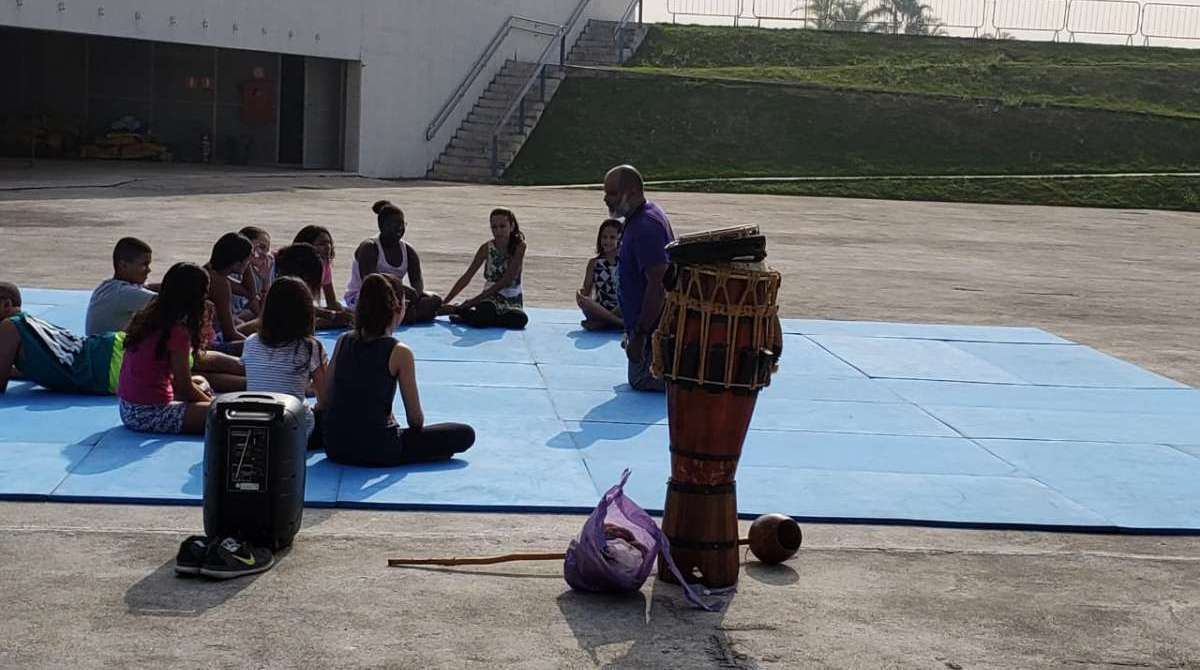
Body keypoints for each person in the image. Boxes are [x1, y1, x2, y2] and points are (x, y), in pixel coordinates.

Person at [321, 274, 475, 467]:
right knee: (464, 434)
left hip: (335, 446)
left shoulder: (343, 341)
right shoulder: (400, 351)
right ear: (398, 307)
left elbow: (325, 399)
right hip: (379, 449)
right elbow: (415, 420)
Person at [1, 281, 244, 395]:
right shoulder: (28, 322)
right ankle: (258, 372)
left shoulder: (9, 328)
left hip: (105, 367)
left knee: (192, 367)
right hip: (105, 350)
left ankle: (259, 374)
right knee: (194, 364)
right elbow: (34, 366)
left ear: (6, 304)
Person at [116, 263, 215, 435]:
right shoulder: (177, 331)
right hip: (147, 414)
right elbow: (184, 387)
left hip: (127, 408)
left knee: (200, 381)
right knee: (224, 416)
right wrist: (212, 405)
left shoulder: (147, 317)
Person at [605, 165, 674, 392]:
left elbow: (659, 284)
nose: (606, 199)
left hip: (653, 331)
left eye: (613, 193)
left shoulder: (646, 226)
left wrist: (641, 334)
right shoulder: (635, 220)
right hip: (640, 325)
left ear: (632, 192)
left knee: (642, 379)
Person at [240, 277, 327, 438]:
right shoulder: (309, 347)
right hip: (293, 432)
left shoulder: (250, 342)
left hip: (255, 427)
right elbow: (325, 398)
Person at [344, 200, 442, 323]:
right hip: (366, 296)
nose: (400, 228)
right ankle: (404, 316)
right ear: (382, 226)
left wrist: (414, 296)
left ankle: (399, 316)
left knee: (435, 299)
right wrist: (400, 289)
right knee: (378, 303)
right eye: (394, 224)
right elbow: (371, 282)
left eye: (402, 224)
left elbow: (417, 280)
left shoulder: (408, 250)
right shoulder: (369, 247)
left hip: (396, 298)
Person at [442, 208, 529, 329]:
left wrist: (472, 301)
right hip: (490, 297)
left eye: (502, 226)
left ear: (512, 226)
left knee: (520, 320)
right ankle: (464, 312)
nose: (498, 231)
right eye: (494, 227)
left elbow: (507, 280)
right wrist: (444, 301)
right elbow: (467, 276)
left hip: (512, 300)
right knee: (485, 314)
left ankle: (462, 312)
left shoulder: (519, 246)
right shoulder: (486, 248)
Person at [85, 237, 156, 335]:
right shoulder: (123, 293)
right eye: (144, 265)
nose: (148, 270)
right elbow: (167, 302)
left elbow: (148, 287)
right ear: (123, 265)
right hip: (110, 350)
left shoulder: (110, 286)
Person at [275, 243, 353, 330]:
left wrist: (332, 315)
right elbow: (290, 322)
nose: (327, 247)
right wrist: (331, 320)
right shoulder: (276, 282)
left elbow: (301, 306)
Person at [204, 232, 255, 355]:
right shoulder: (220, 283)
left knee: (246, 320)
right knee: (256, 338)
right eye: (249, 259)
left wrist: (245, 263)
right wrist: (257, 348)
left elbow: (249, 293)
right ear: (237, 262)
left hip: (212, 334)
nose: (250, 262)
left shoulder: (211, 271)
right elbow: (229, 333)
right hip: (209, 343)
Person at [292, 225, 352, 320]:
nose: (328, 247)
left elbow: (331, 302)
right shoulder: (295, 268)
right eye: (321, 244)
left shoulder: (325, 265)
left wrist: (350, 312)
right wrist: (333, 315)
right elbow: (299, 305)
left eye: (329, 243)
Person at [576, 218, 624, 331]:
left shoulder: (626, 262)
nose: (607, 241)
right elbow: (586, 290)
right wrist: (581, 295)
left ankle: (603, 323)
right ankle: (617, 323)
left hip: (621, 307)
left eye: (612, 238)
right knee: (585, 301)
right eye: (604, 237)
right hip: (601, 308)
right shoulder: (594, 263)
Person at [238, 226, 275, 320]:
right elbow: (261, 314)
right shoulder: (233, 271)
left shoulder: (266, 267)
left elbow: (263, 310)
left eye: (267, 250)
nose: (265, 254)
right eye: (261, 247)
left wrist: (265, 281)